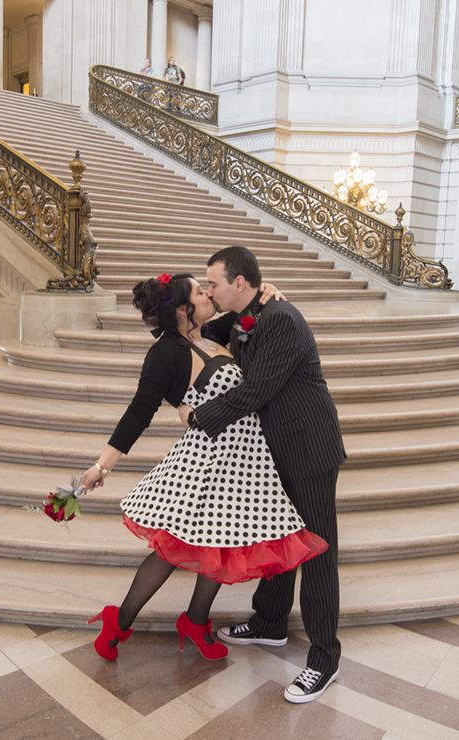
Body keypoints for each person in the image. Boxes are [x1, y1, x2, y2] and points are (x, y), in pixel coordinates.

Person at [82, 273, 328, 664]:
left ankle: (196, 621)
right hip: (205, 460)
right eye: (201, 291)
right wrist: (101, 466)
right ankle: (119, 621)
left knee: (223, 543)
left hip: (245, 459)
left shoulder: (215, 330)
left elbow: (250, 309)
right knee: (171, 546)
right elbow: (139, 410)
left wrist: (269, 294)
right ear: (183, 308)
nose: (209, 294)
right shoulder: (166, 352)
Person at [180, 246, 346, 704]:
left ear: (238, 282)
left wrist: (199, 417)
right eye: (205, 286)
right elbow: (194, 328)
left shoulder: (280, 319)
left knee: (316, 552)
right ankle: (270, 623)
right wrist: (186, 303)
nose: (208, 290)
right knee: (278, 537)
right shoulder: (245, 315)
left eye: (213, 283)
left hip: (309, 449)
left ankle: (324, 659)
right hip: (275, 450)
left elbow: (256, 390)